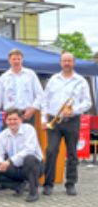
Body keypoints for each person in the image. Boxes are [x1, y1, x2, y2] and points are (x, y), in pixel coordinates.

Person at [40, 52, 91, 196]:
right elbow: (44, 101)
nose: (66, 63)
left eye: (69, 61)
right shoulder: (53, 80)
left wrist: (74, 110)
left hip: (72, 121)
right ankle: (48, 184)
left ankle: (70, 183)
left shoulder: (81, 81)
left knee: (72, 153)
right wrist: (44, 119)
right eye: (64, 61)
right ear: (60, 63)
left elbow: (88, 102)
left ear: (73, 62)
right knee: (51, 151)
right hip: (54, 121)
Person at [0, 108, 43, 202]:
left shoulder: (29, 129)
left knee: (30, 159)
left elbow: (29, 150)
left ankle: (33, 192)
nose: (12, 122)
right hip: (15, 167)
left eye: (15, 119)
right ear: (6, 121)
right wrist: (0, 163)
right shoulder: (3, 134)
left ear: (21, 119)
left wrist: (9, 161)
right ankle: (18, 186)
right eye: (9, 119)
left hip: (33, 167)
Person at [0, 49, 44, 124]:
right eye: (14, 59)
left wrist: (32, 109)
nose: (16, 61)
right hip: (9, 116)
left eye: (19, 59)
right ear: (9, 60)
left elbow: (40, 94)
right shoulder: (3, 77)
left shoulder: (30, 75)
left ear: (22, 60)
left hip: (26, 114)